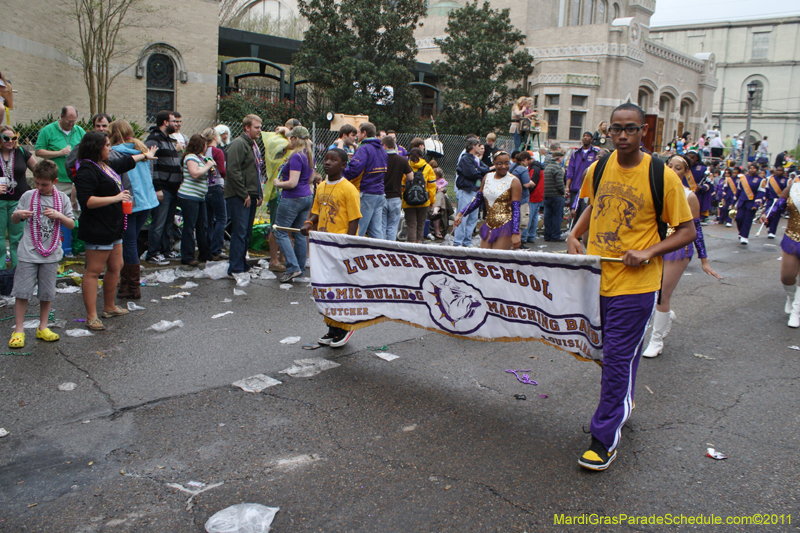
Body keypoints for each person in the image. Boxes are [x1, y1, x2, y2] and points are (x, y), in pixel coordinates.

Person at [567, 103, 695, 471]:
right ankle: (626, 401)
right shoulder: (600, 166)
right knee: (619, 352)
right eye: (616, 129)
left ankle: (603, 438)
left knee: (616, 358)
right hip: (597, 278)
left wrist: (648, 251)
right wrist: (575, 234)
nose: (623, 135)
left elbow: (686, 230)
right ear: (609, 131)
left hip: (637, 284)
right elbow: (594, 204)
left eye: (631, 129)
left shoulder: (662, 175)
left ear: (643, 132)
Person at [74, 131, 157, 330]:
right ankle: (91, 316)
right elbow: (86, 201)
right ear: (96, 148)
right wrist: (116, 198)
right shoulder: (86, 170)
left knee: (116, 265)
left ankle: (109, 306)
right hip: (98, 228)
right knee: (93, 271)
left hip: (114, 226)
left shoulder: (106, 165)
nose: (110, 149)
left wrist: (145, 155)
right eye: (107, 146)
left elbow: (128, 161)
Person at [642, 154, 722, 357]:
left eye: (678, 168)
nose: (672, 170)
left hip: (677, 249)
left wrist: (704, 260)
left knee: (661, 294)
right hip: (653, 245)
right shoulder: (655, 190)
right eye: (669, 166)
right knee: (648, 293)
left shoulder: (689, 197)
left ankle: (656, 340)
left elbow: (696, 230)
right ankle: (666, 316)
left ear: (686, 173)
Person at [8, 160, 75, 349]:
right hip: (28, 252)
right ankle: (19, 329)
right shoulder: (28, 196)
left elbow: (71, 223)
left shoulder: (62, 198)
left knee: (46, 293)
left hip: (51, 253)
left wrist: (59, 216)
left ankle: (43, 326)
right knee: (22, 292)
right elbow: (14, 220)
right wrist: (18, 214)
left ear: (54, 181)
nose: (39, 187)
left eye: (44, 184)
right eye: (36, 183)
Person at [301, 148, 361, 347]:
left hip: (341, 247)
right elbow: (316, 212)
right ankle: (331, 328)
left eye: (333, 160)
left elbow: (354, 220)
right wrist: (309, 223)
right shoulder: (321, 186)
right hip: (324, 248)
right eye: (326, 159)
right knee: (327, 289)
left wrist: (348, 246)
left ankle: (344, 327)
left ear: (343, 165)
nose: (327, 163)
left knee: (341, 289)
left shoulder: (349, 189)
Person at [108, 120, 159, 299]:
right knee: (131, 241)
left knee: (127, 243)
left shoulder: (115, 153)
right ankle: (127, 285)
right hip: (145, 202)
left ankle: (131, 286)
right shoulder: (142, 150)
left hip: (129, 203)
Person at [34, 105, 85, 254]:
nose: (71, 124)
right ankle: (53, 244)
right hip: (57, 180)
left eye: (74, 121)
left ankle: (76, 246)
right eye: (68, 121)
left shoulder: (79, 131)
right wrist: (59, 152)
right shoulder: (48, 130)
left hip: (74, 179)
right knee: (54, 210)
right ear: (61, 117)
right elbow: (38, 151)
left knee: (75, 212)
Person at [453, 151, 522, 250]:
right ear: (494, 163)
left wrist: (515, 232)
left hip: (505, 226)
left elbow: (516, 209)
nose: (503, 166)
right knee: (484, 258)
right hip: (489, 224)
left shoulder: (514, 181)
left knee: (498, 259)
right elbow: (478, 200)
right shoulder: (487, 177)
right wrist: (461, 214)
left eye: (507, 163)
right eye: (499, 163)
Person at [273, 126, 314, 282]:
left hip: (293, 198)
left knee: (280, 231)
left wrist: (278, 183)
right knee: (299, 234)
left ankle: (293, 268)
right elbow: (309, 180)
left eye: (291, 138)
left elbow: (292, 183)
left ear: (295, 139)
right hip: (306, 197)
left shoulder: (296, 157)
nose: (289, 141)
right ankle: (300, 270)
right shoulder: (309, 155)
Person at [225, 114, 263, 277]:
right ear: (246, 127)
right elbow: (233, 171)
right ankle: (235, 266)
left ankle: (242, 263)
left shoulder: (253, 145)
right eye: (256, 127)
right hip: (239, 195)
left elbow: (256, 170)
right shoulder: (238, 144)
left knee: (246, 231)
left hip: (251, 194)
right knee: (239, 231)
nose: (259, 131)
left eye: (260, 127)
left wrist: (257, 194)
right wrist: (244, 193)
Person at [761, 173, 800, 326]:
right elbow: (779, 205)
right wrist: (767, 215)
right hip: (793, 237)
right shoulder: (793, 188)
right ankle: (791, 297)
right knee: (787, 276)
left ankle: (797, 311)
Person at [144, 110, 182, 265]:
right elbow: (151, 165)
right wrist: (157, 187)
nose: (177, 124)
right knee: (159, 222)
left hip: (173, 188)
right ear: (165, 122)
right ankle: (153, 253)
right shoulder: (154, 140)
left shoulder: (169, 140)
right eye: (174, 121)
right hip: (163, 188)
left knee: (168, 222)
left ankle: (165, 251)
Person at [343, 122, 388, 239]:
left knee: (359, 229)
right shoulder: (382, 149)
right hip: (379, 193)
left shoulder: (364, 149)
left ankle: (354, 255)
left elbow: (354, 170)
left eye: (358, 132)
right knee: (376, 231)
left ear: (364, 133)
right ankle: (379, 254)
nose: (357, 135)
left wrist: (342, 171)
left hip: (366, 192)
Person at [0, 125, 35, 269]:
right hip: (0, 201)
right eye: (6, 138)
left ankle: (18, 270)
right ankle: (1, 271)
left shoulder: (22, 152)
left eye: (13, 138)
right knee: (0, 238)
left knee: (17, 237)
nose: (10, 141)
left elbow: (38, 170)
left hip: (19, 200)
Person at [178, 134, 214, 267]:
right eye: (205, 144)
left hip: (200, 197)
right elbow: (194, 174)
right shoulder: (190, 157)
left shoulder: (201, 158)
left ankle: (205, 254)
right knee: (189, 226)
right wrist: (208, 166)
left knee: (202, 226)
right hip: (189, 196)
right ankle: (187, 256)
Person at [453, 138, 489, 247]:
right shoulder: (465, 159)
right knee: (463, 216)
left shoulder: (476, 159)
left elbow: (486, 169)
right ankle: (458, 241)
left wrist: (477, 169)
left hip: (475, 191)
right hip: (466, 190)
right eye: (478, 145)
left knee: (473, 218)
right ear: (473, 146)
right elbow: (472, 173)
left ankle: (467, 241)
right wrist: (478, 171)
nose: (480, 148)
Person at [201, 128, 227, 260]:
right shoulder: (218, 152)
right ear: (216, 138)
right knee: (222, 219)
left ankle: (207, 247)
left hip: (204, 187)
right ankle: (216, 248)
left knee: (208, 220)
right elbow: (222, 170)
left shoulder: (202, 151)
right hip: (216, 186)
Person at [401, 148, 437, 243]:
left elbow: (402, 186)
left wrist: (402, 200)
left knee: (411, 224)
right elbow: (432, 187)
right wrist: (432, 201)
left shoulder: (405, 166)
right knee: (421, 224)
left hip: (408, 202)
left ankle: (411, 246)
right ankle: (419, 244)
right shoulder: (428, 167)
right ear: (421, 156)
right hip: (423, 201)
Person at [382, 136, 412, 241]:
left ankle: (380, 248)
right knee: (392, 226)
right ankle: (390, 249)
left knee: (382, 226)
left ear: (385, 146)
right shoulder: (402, 160)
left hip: (382, 195)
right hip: (395, 196)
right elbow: (411, 177)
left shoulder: (381, 158)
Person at [566, 132, 600, 225]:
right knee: (574, 211)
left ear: (592, 140)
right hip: (576, 187)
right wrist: (567, 186)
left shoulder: (596, 153)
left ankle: (583, 235)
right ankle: (572, 231)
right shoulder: (575, 153)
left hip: (588, 188)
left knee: (585, 211)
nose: (585, 138)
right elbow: (570, 170)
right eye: (584, 136)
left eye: (588, 136)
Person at [734, 162, 766, 245]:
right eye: (751, 168)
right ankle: (741, 232)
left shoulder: (761, 180)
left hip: (752, 202)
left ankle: (744, 236)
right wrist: (733, 202)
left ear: (757, 170)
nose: (752, 169)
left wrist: (756, 204)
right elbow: (739, 190)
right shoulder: (743, 178)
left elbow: (761, 193)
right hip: (742, 201)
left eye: (754, 168)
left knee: (747, 220)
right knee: (738, 218)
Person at [509, 151, 532, 248]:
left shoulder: (511, 167)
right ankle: (518, 243)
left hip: (511, 198)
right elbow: (526, 184)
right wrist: (532, 183)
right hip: (522, 199)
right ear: (525, 160)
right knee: (520, 222)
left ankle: (509, 242)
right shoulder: (523, 169)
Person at [543, 151, 566, 241]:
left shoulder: (547, 168)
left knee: (547, 216)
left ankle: (547, 235)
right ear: (559, 158)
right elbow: (560, 183)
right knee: (557, 216)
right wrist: (563, 192)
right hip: (556, 195)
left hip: (547, 195)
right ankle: (555, 236)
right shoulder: (558, 168)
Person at [764, 165, 789, 239]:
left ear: (783, 172)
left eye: (781, 170)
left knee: (776, 216)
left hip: (780, 201)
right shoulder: (770, 179)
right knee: (768, 214)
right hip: (771, 199)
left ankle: (772, 231)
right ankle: (769, 226)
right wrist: (766, 197)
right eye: (778, 170)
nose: (779, 172)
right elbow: (767, 188)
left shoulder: (786, 180)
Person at [685, 151, 710, 223]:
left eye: (692, 158)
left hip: (696, 196)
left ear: (697, 158)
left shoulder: (703, 169)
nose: (690, 159)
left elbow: (708, 184)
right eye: (688, 157)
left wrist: (701, 187)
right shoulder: (682, 167)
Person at [429, 167, 450, 239]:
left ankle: (436, 211)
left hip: (437, 200)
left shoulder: (441, 180)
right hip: (429, 198)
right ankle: (435, 211)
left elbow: (445, 183)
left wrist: (442, 188)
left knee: (440, 194)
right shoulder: (430, 179)